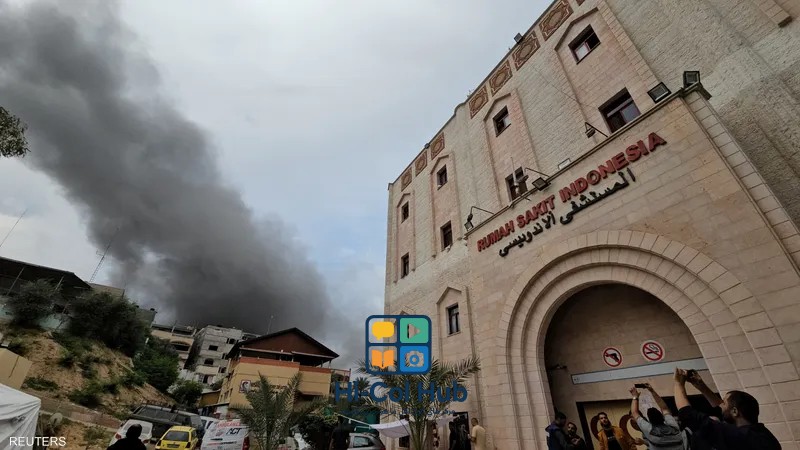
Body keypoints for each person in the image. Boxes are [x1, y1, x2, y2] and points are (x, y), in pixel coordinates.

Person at [674, 368, 781, 450]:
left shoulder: (739, 436)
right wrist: (701, 386)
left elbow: (688, 414)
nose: (721, 406)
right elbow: (723, 408)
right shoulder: (763, 435)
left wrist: (678, 383)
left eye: (724, 402)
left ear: (735, 411)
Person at [629, 385, 685, 450]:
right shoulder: (675, 427)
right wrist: (652, 391)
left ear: (650, 421)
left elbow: (634, 413)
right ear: (662, 417)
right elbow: (664, 408)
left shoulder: (650, 431)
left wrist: (635, 396)